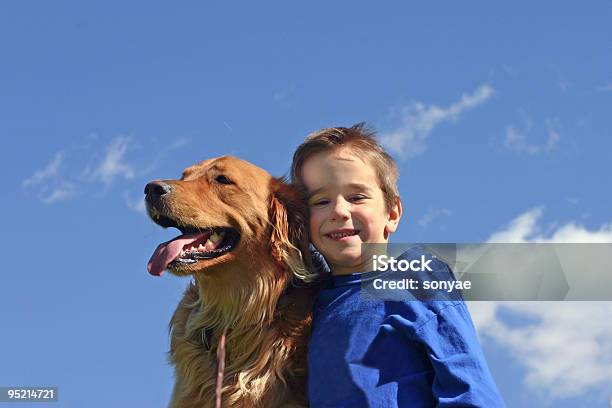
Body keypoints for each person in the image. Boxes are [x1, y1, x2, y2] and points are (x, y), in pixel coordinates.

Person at [291, 123, 505, 407]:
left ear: (392, 213)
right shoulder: (307, 308)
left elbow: (469, 388)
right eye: (321, 201)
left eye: (357, 197)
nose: (339, 211)